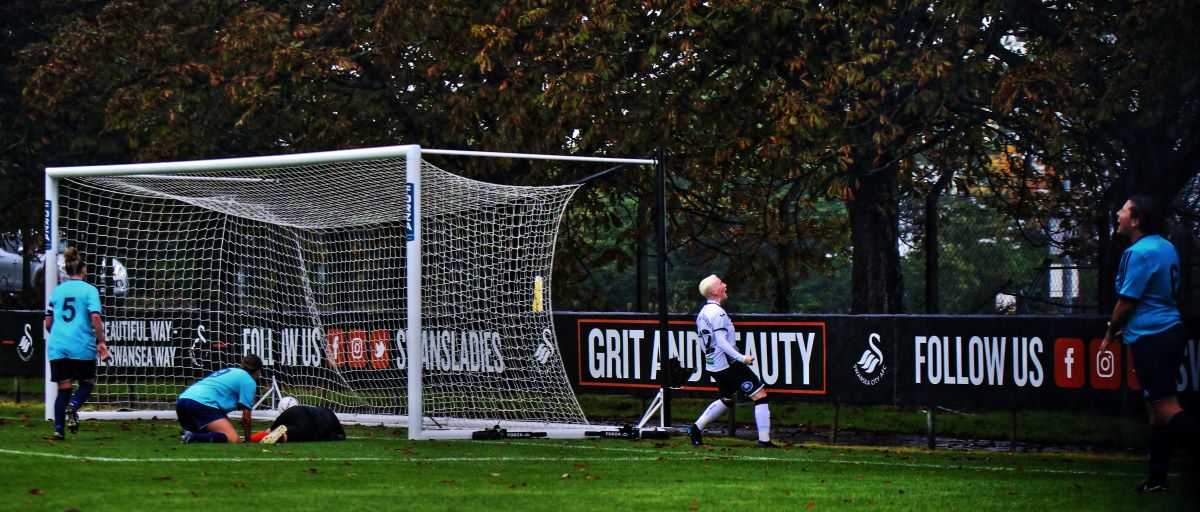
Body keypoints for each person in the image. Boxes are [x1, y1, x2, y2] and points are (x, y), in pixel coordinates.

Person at [1101, 195, 1200, 493]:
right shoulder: (1165, 246)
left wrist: (1111, 331)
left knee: (1167, 407)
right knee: (1156, 410)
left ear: (1136, 220)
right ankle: (1157, 478)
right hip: (1168, 330)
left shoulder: (1139, 253)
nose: (1118, 213)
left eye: (1124, 210)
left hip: (1152, 336)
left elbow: (1127, 302)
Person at [686, 274, 776, 448]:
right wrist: (742, 358)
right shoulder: (717, 312)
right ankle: (764, 441)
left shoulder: (703, 312)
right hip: (728, 364)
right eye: (721, 283)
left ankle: (695, 428)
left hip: (714, 365)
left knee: (729, 398)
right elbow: (721, 341)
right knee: (760, 395)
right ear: (714, 290)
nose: (725, 285)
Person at [44, 247, 109, 440]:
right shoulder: (90, 290)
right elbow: (95, 317)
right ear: (84, 269)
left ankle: (58, 429)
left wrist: (59, 334)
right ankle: (74, 405)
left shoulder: (57, 292)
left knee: (63, 388)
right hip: (81, 345)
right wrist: (101, 341)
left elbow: (48, 322)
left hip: (58, 346)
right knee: (87, 383)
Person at [176, 354, 263, 444]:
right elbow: (246, 417)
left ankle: (189, 435)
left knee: (212, 435)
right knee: (233, 438)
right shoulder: (249, 381)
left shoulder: (230, 370)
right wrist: (248, 439)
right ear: (257, 370)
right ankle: (193, 436)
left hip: (183, 401)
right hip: (201, 403)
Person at [250, 403, 346, 444]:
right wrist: (328, 437)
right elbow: (341, 435)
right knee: (288, 436)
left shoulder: (326, 411)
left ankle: (250, 438)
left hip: (295, 410)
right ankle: (281, 436)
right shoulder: (329, 416)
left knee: (269, 431)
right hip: (309, 427)